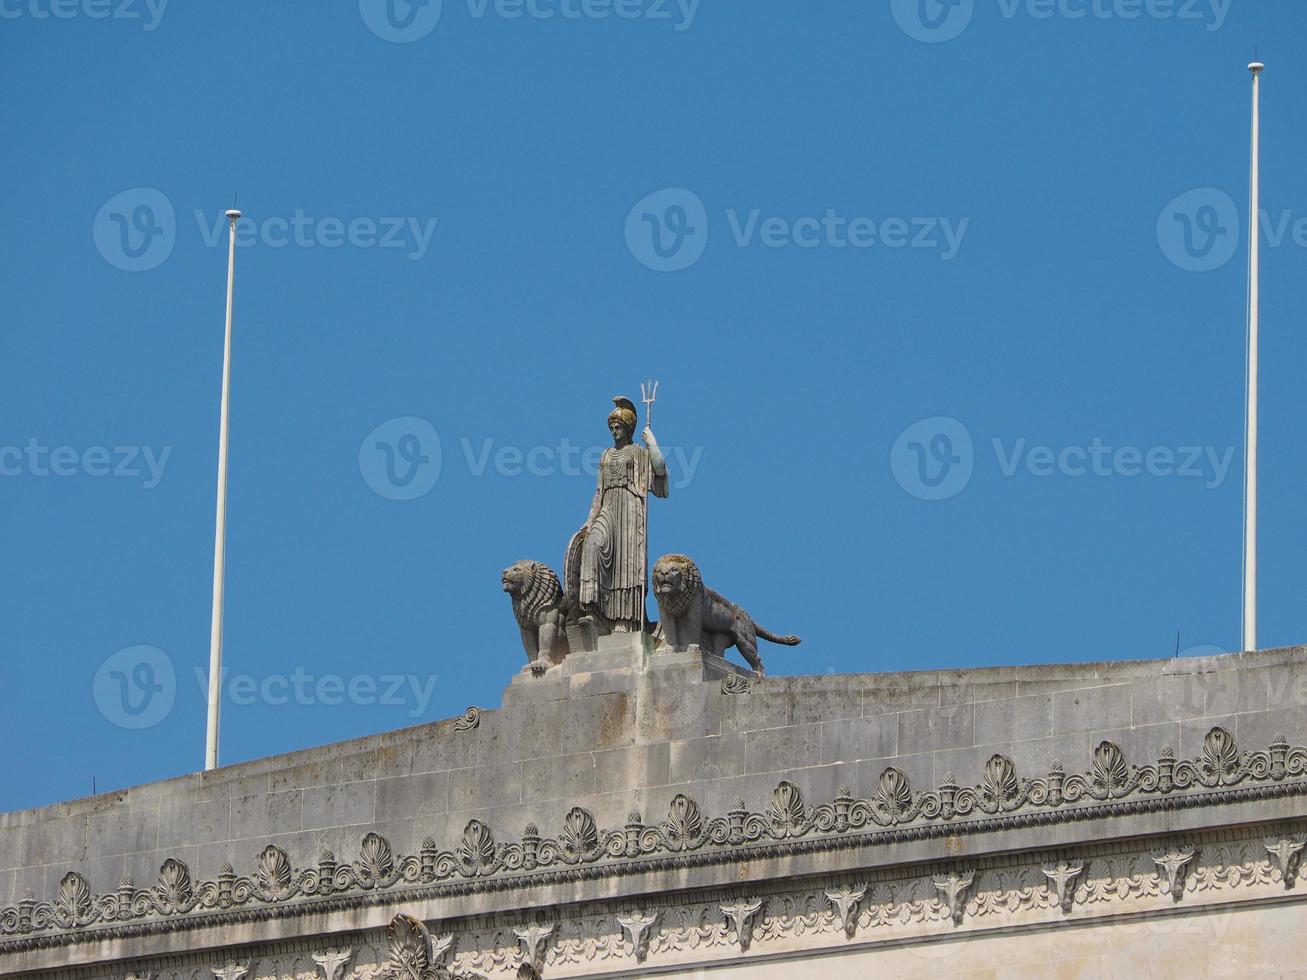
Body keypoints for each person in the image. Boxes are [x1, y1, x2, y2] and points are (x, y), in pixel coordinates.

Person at [574, 396, 669, 633]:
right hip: (607, 508)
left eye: (618, 427)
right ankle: (594, 612)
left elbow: (660, 470)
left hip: (629, 510)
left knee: (626, 567)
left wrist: (652, 443)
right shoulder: (605, 455)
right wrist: (589, 520)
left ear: (628, 429)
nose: (614, 431)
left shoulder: (637, 452)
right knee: (592, 545)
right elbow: (598, 491)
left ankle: (623, 620)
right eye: (612, 428)